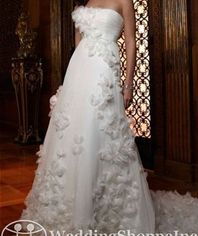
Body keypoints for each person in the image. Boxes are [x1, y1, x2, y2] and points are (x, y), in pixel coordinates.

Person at [20, 0, 155, 234]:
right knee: (75, 131)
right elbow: (79, 43)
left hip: (103, 70)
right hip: (79, 70)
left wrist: (129, 84)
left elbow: (132, 41)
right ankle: (70, 202)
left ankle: (102, 205)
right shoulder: (88, 1)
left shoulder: (124, 1)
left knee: (100, 130)